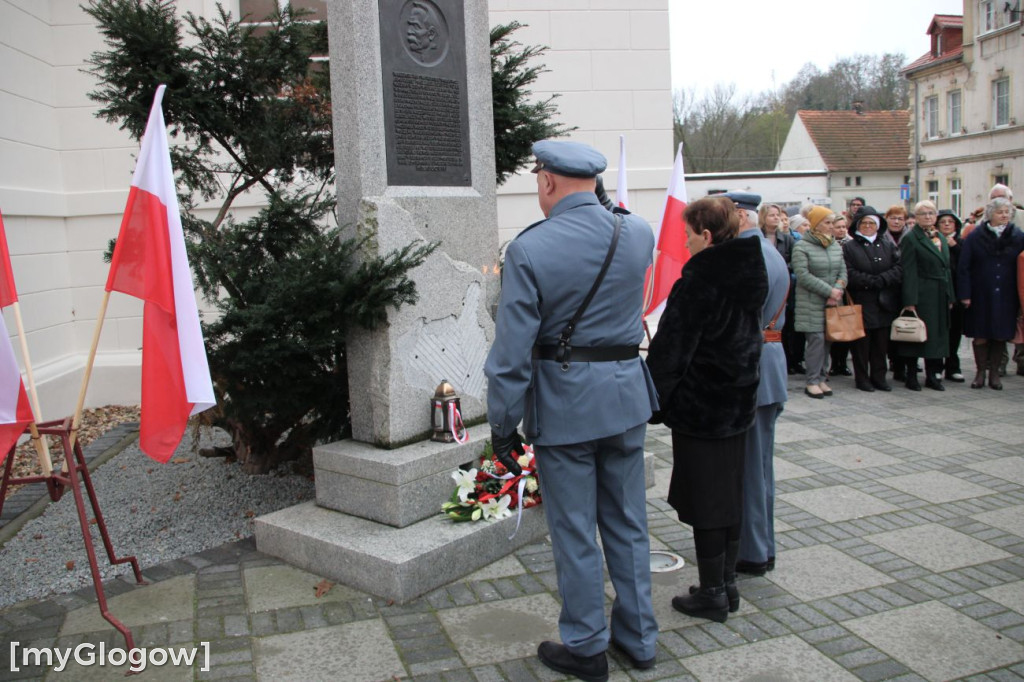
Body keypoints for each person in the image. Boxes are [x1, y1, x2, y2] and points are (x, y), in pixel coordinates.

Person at [485, 140, 659, 681]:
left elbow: (510, 355)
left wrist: (501, 426)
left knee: (576, 530)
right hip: (626, 396)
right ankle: (639, 639)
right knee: (629, 522)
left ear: (547, 182)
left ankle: (586, 646)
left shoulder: (529, 249)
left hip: (565, 405)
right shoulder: (639, 232)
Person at [646, 195, 768, 624]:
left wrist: (650, 401)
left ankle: (714, 592)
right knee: (728, 496)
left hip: (704, 408)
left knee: (707, 502)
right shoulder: (748, 271)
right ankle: (726, 585)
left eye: (688, 233)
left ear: (707, 234)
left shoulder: (700, 280)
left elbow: (672, 351)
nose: (684, 240)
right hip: (737, 403)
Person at [732, 194, 790, 579]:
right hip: (769, 361)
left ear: (739, 215)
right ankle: (761, 544)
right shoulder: (767, 250)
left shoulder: (745, 254)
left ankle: (752, 551)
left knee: (750, 468)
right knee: (760, 466)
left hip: (752, 362)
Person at [957, 197, 1024, 390]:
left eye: (1007, 212)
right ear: (990, 214)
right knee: (980, 335)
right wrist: (965, 294)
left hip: (1006, 294)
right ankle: (980, 373)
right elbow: (964, 267)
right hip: (980, 293)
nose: (1004, 215)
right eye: (1000, 212)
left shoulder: (1018, 236)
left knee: (1000, 334)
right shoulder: (976, 236)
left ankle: (995, 373)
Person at [843, 207, 902, 391]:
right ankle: (862, 378)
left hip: (884, 300)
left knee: (881, 343)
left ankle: (879, 377)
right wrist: (870, 281)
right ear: (857, 226)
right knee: (862, 344)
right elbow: (848, 271)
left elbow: (898, 267)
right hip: (862, 299)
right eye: (864, 223)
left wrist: (883, 280)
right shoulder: (849, 247)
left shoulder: (887, 244)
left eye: (871, 223)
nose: (868, 226)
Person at [897, 200, 954, 391]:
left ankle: (933, 375)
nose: (928, 217)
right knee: (916, 335)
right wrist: (910, 301)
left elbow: (946, 269)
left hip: (940, 293)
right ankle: (911, 375)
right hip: (922, 293)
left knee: (937, 336)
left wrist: (950, 296)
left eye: (931, 213)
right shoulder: (911, 238)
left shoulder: (940, 238)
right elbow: (909, 271)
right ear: (916, 217)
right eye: (923, 214)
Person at [792, 206, 847, 398]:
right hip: (811, 302)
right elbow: (802, 275)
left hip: (832, 302)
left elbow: (843, 270)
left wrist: (838, 288)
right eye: (827, 223)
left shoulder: (834, 245)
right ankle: (812, 381)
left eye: (833, 223)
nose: (832, 227)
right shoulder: (802, 246)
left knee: (827, 341)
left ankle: (822, 377)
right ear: (816, 224)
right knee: (815, 341)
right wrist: (829, 290)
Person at [937, 209, 966, 382]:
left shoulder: (962, 242)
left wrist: (954, 246)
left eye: (950, 221)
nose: (947, 224)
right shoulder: (933, 241)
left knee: (955, 332)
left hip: (957, 292)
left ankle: (953, 366)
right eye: (943, 221)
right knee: (939, 331)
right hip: (938, 293)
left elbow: (966, 264)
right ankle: (936, 366)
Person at [828, 213, 854, 377]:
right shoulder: (829, 244)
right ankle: (834, 363)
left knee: (846, 325)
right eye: (838, 227)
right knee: (833, 326)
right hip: (832, 290)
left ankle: (843, 362)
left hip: (848, 290)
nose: (841, 230)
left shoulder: (851, 244)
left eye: (844, 227)